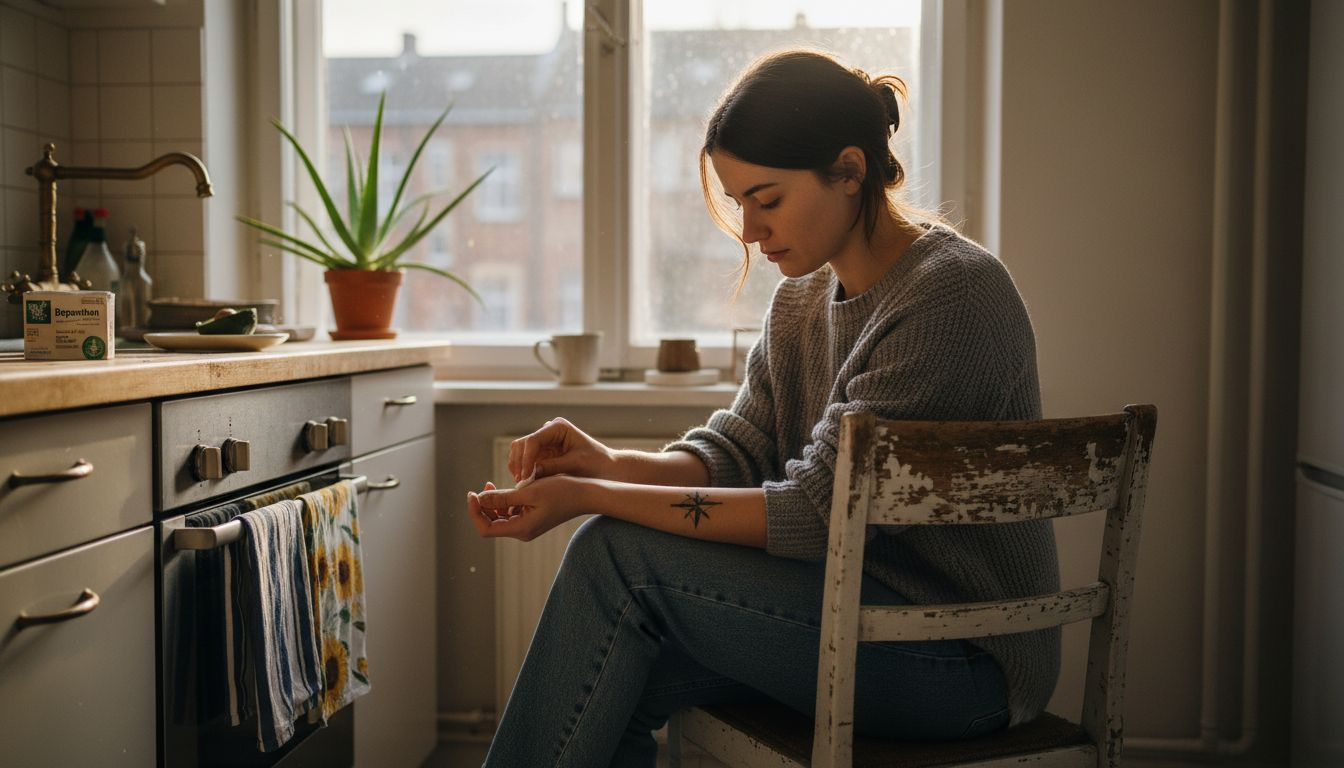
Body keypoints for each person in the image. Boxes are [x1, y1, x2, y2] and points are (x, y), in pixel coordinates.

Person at [467, 49, 1060, 768]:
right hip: (858, 621)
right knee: (613, 669)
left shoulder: (951, 295)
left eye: (767, 199)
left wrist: (592, 494)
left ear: (849, 171)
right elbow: (739, 451)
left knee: (615, 555)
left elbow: (816, 514)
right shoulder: (802, 300)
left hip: (963, 660)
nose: (748, 230)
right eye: (738, 202)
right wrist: (610, 461)